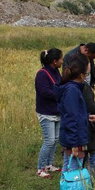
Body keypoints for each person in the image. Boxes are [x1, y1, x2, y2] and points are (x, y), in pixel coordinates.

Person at [54, 56, 95, 190]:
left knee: (67, 171)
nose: (87, 75)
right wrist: (74, 145)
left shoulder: (68, 88)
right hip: (73, 139)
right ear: (80, 75)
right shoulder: (73, 91)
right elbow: (72, 118)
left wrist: (86, 117)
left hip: (69, 136)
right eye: (87, 72)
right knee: (74, 175)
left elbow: (72, 114)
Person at [35, 48, 63, 178]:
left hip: (56, 111)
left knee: (55, 139)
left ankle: (49, 165)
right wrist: (61, 94)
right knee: (49, 140)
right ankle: (40, 168)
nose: (62, 61)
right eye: (61, 59)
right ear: (54, 61)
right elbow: (44, 92)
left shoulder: (56, 72)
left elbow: (61, 85)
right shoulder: (42, 74)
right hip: (46, 112)